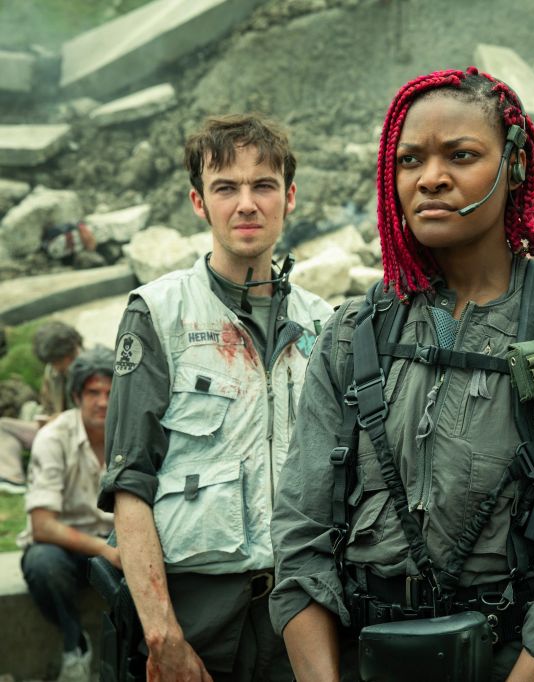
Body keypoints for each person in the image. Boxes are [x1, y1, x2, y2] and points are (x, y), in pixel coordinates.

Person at [269, 67, 534, 682]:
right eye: (409, 159)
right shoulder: (355, 331)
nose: (431, 178)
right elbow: (302, 535)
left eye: (461, 156)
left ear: (513, 167)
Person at [98, 113, 333, 682]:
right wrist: (163, 634)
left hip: (300, 609)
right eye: (226, 187)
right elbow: (130, 485)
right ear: (199, 202)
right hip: (197, 613)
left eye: (263, 186)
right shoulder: (158, 313)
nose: (246, 204)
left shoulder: (325, 324)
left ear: (290, 197)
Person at [18, 346, 117, 682]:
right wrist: (104, 549)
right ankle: (75, 646)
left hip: (119, 539)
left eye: (110, 391)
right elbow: (42, 525)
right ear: (77, 394)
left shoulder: (132, 434)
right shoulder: (53, 438)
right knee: (41, 563)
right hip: (68, 545)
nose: (102, 402)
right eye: (93, 392)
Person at [0, 321, 83, 493]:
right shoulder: (52, 372)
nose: (55, 367)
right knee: (4, 426)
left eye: (58, 361)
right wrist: (48, 418)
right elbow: (49, 406)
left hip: (84, 436)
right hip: (57, 429)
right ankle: (12, 478)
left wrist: (63, 419)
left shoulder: (94, 370)